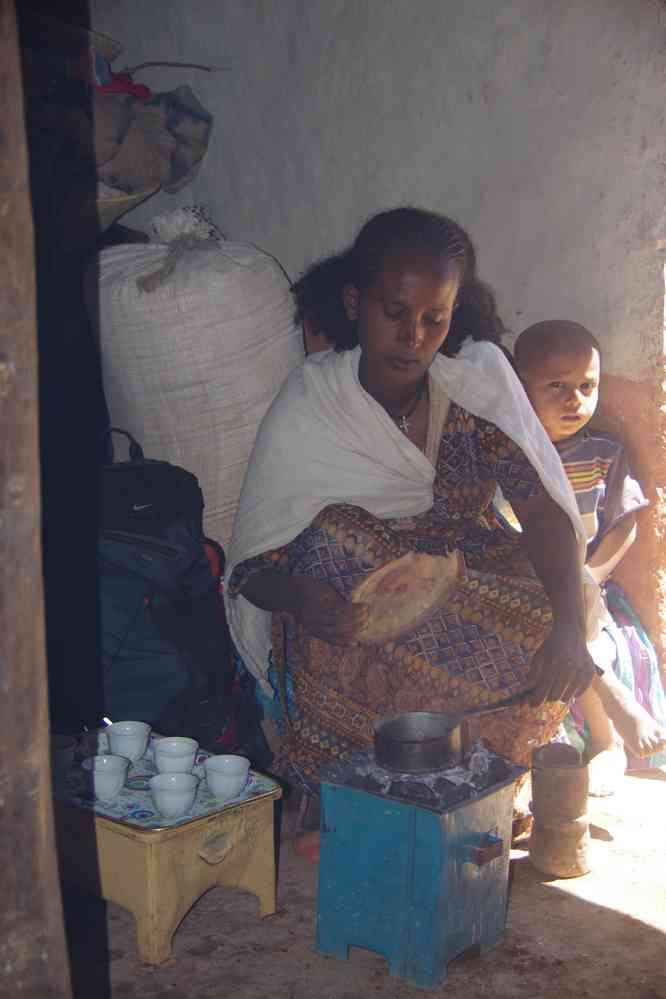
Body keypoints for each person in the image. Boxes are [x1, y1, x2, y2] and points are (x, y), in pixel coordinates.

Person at [225, 207, 597, 857]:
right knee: (335, 545)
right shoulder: (315, 400)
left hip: (462, 565)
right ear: (355, 302)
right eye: (394, 312)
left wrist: (567, 622)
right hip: (350, 591)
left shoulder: (476, 379)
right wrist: (298, 597)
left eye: (435, 318)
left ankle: (480, 794)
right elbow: (254, 565)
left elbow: (538, 509)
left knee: (560, 602)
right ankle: (336, 787)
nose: (413, 336)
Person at [512, 321, 666, 785]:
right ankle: (609, 698)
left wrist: (592, 575)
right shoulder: (511, 453)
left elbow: (624, 528)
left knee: (577, 599)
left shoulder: (603, 453)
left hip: (583, 576)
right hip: (523, 572)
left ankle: (605, 740)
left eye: (587, 386)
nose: (574, 400)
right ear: (519, 389)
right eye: (556, 386)